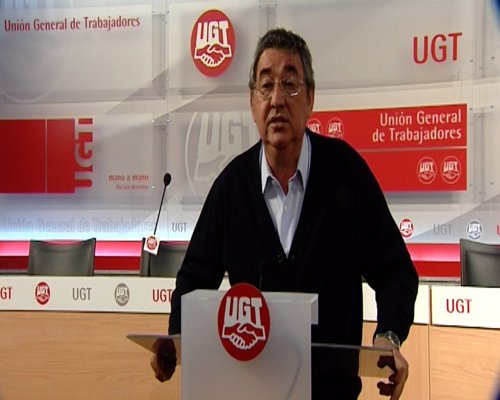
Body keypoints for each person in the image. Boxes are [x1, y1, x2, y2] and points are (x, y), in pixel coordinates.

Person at [151, 27, 419, 399]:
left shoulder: (346, 172)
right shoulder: (232, 186)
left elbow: (396, 271)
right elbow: (195, 278)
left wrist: (388, 337)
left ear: (310, 98)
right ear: (252, 103)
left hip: (333, 393)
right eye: (266, 86)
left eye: (290, 84)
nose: (277, 99)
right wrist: (177, 340)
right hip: (254, 390)